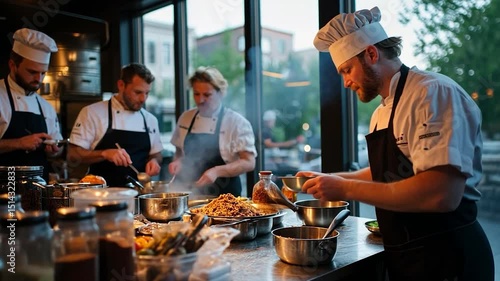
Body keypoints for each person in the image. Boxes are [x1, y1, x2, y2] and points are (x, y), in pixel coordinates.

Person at [297, 6, 494, 281]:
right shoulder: (381, 112)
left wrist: (345, 188)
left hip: (448, 255)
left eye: (347, 70)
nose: (345, 83)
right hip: (406, 254)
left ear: (371, 54)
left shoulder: (432, 93)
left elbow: (441, 193)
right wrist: (328, 179)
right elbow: (385, 174)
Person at [68, 63, 163, 187]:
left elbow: (156, 153)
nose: (143, 99)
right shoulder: (92, 113)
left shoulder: (150, 119)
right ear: (121, 85)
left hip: (139, 194)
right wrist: (105, 153)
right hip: (101, 195)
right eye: (138, 92)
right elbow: (73, 155)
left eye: (147, 93)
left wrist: (154, 160)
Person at [169, 66, 257, 197]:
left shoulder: (236, 122)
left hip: (226, 196)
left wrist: (217, 171)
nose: (200, 100)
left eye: (207, 95)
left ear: (220, 93)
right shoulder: (186, 118)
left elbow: (249, 162)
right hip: (192, 195)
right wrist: (178, 162)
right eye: (196, 94)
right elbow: (179, 153)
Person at [0, 28, 63, 181]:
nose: (39, 79)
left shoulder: (46, 107)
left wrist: (54, 150)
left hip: (37, 194)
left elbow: (58, 149)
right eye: (32, 72)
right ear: (12, 65)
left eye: (43, 73)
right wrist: (18, 143)